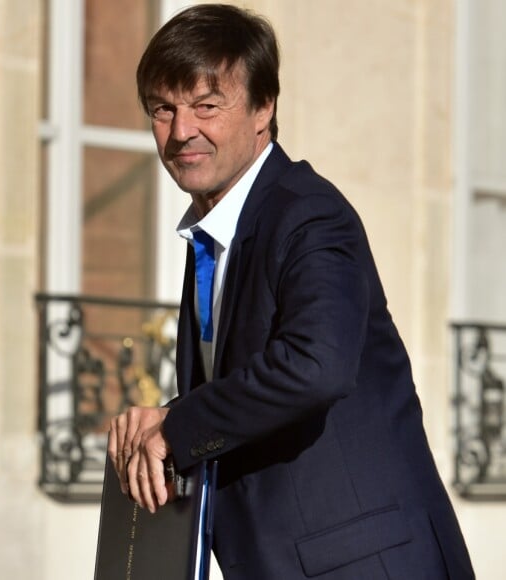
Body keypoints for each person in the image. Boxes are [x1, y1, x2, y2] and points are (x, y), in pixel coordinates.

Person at [108, 4, 474, 579]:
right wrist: (165, 423)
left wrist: (174, 427)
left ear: (264, 108)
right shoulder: (215, 232)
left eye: (207, 105)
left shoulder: (308, 214)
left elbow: (315, 365)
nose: (181, 132)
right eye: (163, 109)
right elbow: (249, 388)